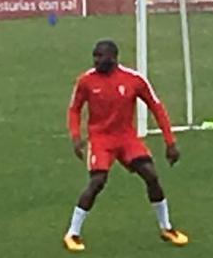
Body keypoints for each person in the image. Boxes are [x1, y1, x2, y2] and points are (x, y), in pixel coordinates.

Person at [63, 40, 189, 252]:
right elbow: (74, 109)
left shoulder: (134, 80)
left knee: (151, 175)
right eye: (94, 56)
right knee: (97, 182)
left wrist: (170, 142)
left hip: (126, 138)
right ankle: (72, 233)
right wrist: (76, 137)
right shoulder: (86, 81)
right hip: (101, 139)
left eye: (99, 56)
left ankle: (166, 228)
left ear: (113, 57)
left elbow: (156, 107)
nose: (95, 60)